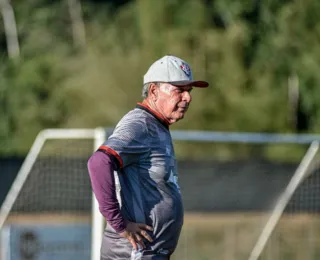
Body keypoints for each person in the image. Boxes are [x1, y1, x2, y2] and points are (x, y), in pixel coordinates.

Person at [87, 55, 209, 260]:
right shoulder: (140, 124)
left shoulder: (157, 125)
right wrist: (120, 224)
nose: (187, 98)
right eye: (179, 90)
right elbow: (98, 163)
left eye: (189, 91)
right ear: (153, 91)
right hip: (132, 253)